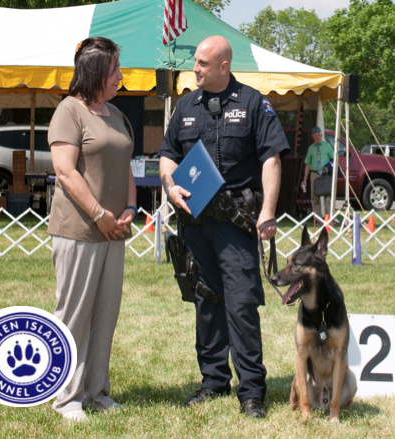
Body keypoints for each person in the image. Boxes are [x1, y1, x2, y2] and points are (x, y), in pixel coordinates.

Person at [158, 36, 290, 418]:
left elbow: (271, 159)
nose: (194, 69)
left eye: (201, 63)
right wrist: (170, 186)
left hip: (236, 222)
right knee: (206, 300)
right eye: (195, 63)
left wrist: (268, 209)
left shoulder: (252, 102)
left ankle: (252, 391)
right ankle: (213, 381)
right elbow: (167, 156)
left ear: (223, 66)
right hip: (195, 221)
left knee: (242, 303)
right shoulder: (184, 106)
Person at [47, 37, 137, 422]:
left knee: (105, 313)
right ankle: (66, 397)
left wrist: (130, 207)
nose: (120, 76)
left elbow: (126, 165)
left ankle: (97, 390)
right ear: (96, 71)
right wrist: (99, 213)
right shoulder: (69, 111)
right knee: (75, 314)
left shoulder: (116, 114)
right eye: (115, 69)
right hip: (79, 230)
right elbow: (65, 171)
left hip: (113, 231)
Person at [302, 127, 334, 217]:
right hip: (314, 174)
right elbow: (307, 164)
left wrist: (328, 166)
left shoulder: (327, 146)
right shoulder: (310, 148)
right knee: (314, 198)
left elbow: (333, 159)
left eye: (318, 135)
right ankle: (319, 220)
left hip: (325, 174)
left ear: (321, 135)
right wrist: (304, 180)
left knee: (327, 198)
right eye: (315, 135)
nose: (317, 137)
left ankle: (328, 219)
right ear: (313, 137)